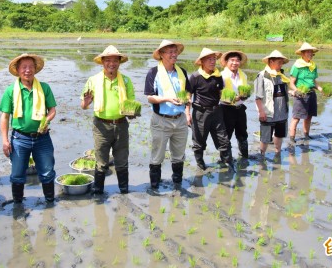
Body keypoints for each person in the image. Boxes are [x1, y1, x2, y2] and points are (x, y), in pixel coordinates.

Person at [0, 53, 57, 203]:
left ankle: (50, 201)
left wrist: (46, 120)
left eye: (31, 67)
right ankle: (18, 203)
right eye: (24, 67)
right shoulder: (11, 91)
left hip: (42, 138)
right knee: (17, 174)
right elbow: (5, 117)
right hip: (19, 139)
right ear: (18, 70)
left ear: (35, 69)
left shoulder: (44, 88)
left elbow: (52, 110)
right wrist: (5, 141)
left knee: (47, 171)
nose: (27, 70)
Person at [80, 45, 135, 195]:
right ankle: (98, 191)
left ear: (119, 62)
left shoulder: (126, 81)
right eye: (108, 60)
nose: (112, 63)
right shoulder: (93, 80)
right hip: (101, 126)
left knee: (122, 159)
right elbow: (84, 106)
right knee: (101, 161)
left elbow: (131, 107)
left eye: (115, 60)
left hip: (121, 125)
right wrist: (86, 101)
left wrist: (132, 113)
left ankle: (124, 190)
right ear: (103, 62)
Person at [144, 40, 192, 192]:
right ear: (161, 55)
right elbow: (150, 97)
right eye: (170, 51)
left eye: (175, 51)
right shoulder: (153, 72)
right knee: (157, 155)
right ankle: (154, 186)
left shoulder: (182, 72)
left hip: (180, 119)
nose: (174, 54)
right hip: (161, 120)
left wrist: (187, 109)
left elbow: (188, 92)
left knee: (179, 155)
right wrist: (166, 99)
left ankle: (177, 183)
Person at [189, 48, 234, 171]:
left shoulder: (218, 76)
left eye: (214, 58)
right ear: (202, 61)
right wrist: (187, 114)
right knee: (199, 140)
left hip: (217, 112)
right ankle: (200, 163)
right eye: (209, 59)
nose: (213, 61)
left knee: (223, 139)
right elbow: (188, 95)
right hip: (200, 113)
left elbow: (220, 93)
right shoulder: (195, 77)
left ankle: (228, 162)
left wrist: (232, 98)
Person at [254, 50, 290, 158]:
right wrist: (261, 112)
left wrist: (292, 92)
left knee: (279, 134)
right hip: (268, 112)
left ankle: (277, 153)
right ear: (271, 62)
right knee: (265, 137)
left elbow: (284, 91)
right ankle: (262, 154)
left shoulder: (281, 75)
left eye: (282, 62)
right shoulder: (262, 76)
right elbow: (258, 97)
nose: (280, 65)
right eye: (279, 62)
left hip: (281, 112)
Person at [288, 42, 324, 142]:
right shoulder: (297, 66)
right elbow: (291, 83)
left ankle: (306, 135)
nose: (310, 54)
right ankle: (292, 138)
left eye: (311, 52)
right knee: (296, 117)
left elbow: (313, 81)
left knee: (309, 116)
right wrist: (297, 91)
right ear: (302, 54)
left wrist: (320, 89)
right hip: (301, 95)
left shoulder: (313, 66)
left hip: (311, 93)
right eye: (308, 52)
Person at [220, 50, 250, 159]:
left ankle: (244, 157)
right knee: (226, 135)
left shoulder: (243, 75)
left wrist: (245, 95)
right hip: (226, 109)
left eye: (237, 60)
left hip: (240, 109)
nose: (235, 63)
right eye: (232, 60)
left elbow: (245, 90)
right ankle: (226, 160)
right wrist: (231, 98)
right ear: (227, 62)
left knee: (242, 134)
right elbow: (218, 94)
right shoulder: (221, 76)